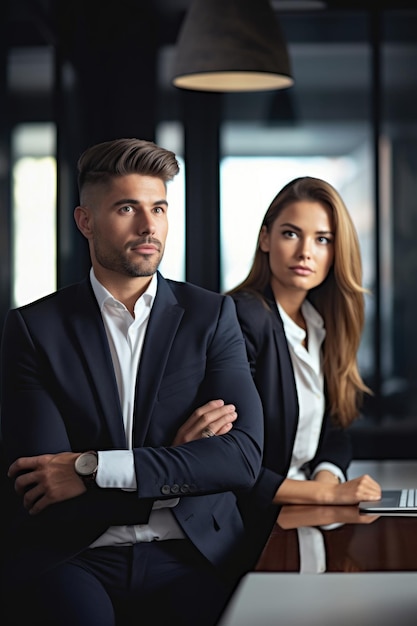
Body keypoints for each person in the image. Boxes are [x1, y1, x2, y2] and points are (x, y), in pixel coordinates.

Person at [0, 138, 264, 626]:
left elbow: (241, 459)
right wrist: (178, 462)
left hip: (192, 556)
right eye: (127, 208)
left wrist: (89, 466)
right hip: (74, 557)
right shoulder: (34, 329)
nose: (149, 227)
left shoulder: (211, 316)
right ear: (85, 221)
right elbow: (43, 484)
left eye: (159, 208)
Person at [205, 176, 381, 562]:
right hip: (247, 524)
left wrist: (326, 478)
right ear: (265, 239)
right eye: (291, 234)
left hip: (301, 513)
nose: (306, 251)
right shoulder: (241, 318)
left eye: (322, 239)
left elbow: (336, 432)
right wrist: (326, 494)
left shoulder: (321, 322)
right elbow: (229, 459)